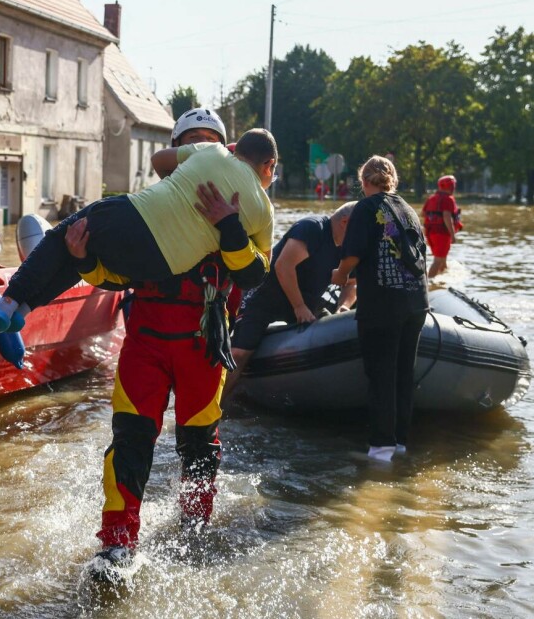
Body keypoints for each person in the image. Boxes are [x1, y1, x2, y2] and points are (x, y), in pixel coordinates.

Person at [82, 110, 271, 577]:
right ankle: (117, 545)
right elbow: (110, 275)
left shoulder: (248, 212)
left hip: (203, 346)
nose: (203, 150)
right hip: (145, 342)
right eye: (193, 143)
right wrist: (83, 257)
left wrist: (227, 225)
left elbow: (254, 273)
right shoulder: (148, 211)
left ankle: (193, 531)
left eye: (211, 143)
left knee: (199, 444)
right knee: (130, 440)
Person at [0, 120, 278, 336]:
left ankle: (7, 304)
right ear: (269, 166)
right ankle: (22, 309)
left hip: (137, 221)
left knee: (63, 234)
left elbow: (161, 159)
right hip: (160, 267)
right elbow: (262, 269)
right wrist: (230, 226)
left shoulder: (213, 152)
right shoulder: (264, 213)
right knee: (77, 249)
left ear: (234, 149)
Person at [331, 156, 429, 462]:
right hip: (417, 302)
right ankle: (400, 442)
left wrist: (339, 275)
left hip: (384, 304)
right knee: (403, 374)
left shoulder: (366, 207)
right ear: (393, 180)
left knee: (381, 374)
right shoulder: (409, 210)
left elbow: (352, 257)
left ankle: (380, 450)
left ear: (364, 182)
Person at [223, 202, 359, 398]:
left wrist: (344, 306)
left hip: (305, 303)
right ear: (345, 223)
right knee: (239, 354)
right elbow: (284, 266)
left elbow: (350, 283)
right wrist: (299, 306)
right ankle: (214, 412)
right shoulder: (312, 229)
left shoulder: (346, 250)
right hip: (266, 298)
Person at [422, 175, 463, 279]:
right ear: (451, 187)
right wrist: (452, 235)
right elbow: (446, 216)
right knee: (438, 260)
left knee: (442, 259)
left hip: (430, 233)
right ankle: (428, 284)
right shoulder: (448, 199)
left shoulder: (431, 198)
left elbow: (423, 213)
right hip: (441, 233)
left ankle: (442, 281)